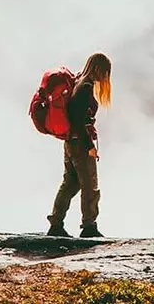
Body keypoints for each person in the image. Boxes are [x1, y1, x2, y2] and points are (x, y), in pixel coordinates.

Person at [47, 52, 111, 239]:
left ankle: (56, 224)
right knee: (90, 185)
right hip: (80, 144)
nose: (106, 77)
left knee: (70, 183)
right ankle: (89, 227)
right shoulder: (85, 87)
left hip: (70, 143)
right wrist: (90, 145)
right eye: (106, 72)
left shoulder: (78, 82)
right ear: (99, 69)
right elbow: (78, 119)